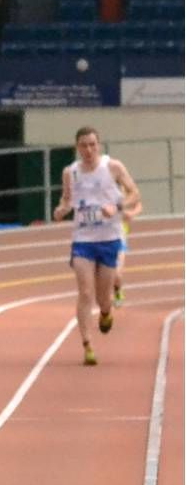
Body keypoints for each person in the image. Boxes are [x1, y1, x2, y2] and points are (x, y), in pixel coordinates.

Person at [52, 126, 141, 366]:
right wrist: (62, 209)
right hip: (83, 240)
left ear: (98, 146)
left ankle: (105, 312)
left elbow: (134, 193)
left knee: (103, 297)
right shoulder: (70, 172)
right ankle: (87, 345)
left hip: (109, 238)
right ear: (77, 148)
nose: (89, 150)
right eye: (84, 145)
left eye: (93, 145)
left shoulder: (113, 167)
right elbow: (67, 199)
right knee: (85, 292)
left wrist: (117, 206)